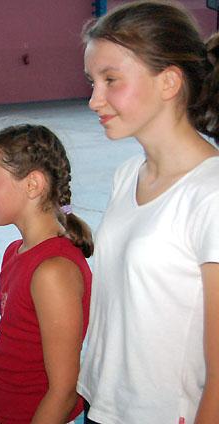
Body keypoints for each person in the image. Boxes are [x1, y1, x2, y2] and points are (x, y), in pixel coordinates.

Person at [79, 2, 219, 423]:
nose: (93, 100)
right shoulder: (127, 177)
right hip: (102, 403)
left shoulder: (210, 195)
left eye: (111, 81)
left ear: (169, 82)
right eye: (92, 82)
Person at [0, 124, 93, 424]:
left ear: (32, 185)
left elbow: (63, 391)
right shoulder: (15, 253)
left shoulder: (53, 272)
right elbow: (8, 360)